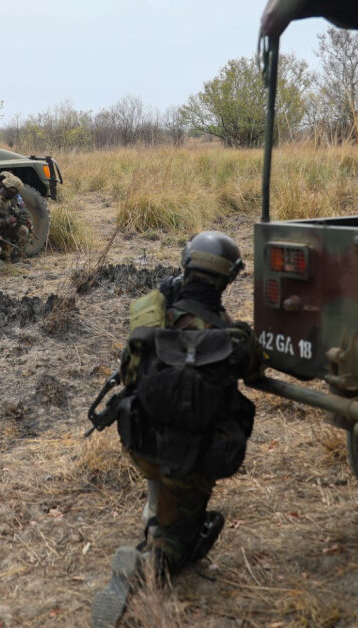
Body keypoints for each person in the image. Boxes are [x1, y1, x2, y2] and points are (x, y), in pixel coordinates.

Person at [91, 231, 262, 628]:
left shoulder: (151, 317)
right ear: (228, 279)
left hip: (142, 446)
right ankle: (150, 562)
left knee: (164, 456)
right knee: (182, 542)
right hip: (190, 461)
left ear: (185, 267)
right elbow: (256, 371)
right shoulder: (234, 338)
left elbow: (129, 374)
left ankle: (155, 515)